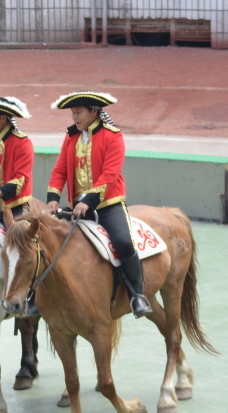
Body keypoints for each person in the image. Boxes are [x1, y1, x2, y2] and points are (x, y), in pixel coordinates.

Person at [45, 91, 152, 318]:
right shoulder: (71, 137)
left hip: (108, 206)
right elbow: (60, 170)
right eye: (72, 113)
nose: (75, 117)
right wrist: (53, 198)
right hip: (76, 208)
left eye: (79, 112)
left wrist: (89, 201)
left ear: (94, 111)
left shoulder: (113, 136)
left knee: (123, 242)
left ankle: (137, 295)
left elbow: (110, 175)